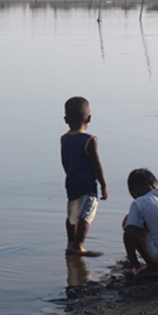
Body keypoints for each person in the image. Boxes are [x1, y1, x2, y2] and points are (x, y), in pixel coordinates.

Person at [60, 96, 108, 256]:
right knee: (87, 214)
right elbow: (97, 164)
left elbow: (64, 161)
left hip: (71, 182)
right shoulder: (90, 140)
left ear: (66, 120)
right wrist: (104, 184)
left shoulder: (65, 139)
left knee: (72, 214)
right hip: (87, 184)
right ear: (89, 118)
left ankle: (71, 241)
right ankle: (78, 246)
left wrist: (70, 175)